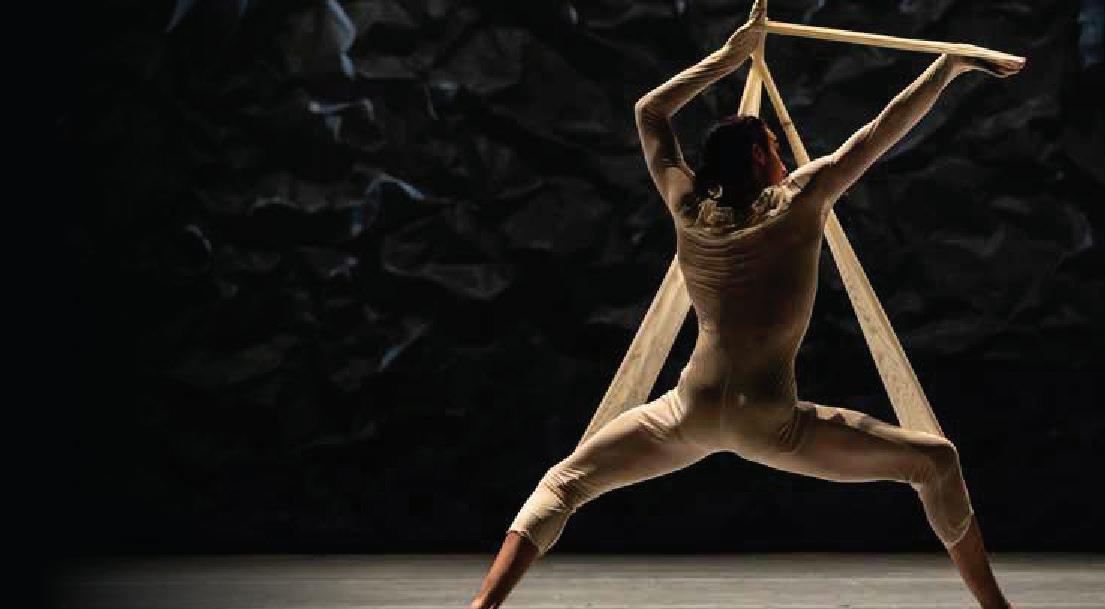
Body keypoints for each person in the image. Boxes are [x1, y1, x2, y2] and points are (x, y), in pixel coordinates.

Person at [468, 2, 1025, 608]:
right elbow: (880, 131)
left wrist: (729, 56)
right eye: (775, 147)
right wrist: (946, 68)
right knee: (935, 462)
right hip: (768, 421)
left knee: (564, 482)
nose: (784, 157)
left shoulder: (687, 209)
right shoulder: (800, 202)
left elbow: (649, 112)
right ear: (760, 157)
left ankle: (481, 606)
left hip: (687, 411)